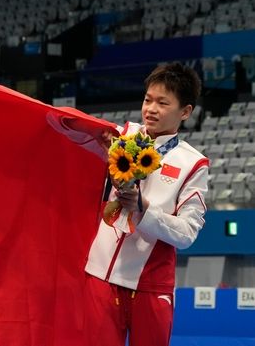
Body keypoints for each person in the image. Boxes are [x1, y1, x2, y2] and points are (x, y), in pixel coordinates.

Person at [84, 62, 209, 346]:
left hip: (151, 285)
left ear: (185, 112)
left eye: (163, 103)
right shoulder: (118, 135)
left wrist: (144, 209)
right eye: (147, 99)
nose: (151, 109)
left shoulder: (194, 164)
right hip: (101, 276)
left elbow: (187, 234)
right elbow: (67, 128)